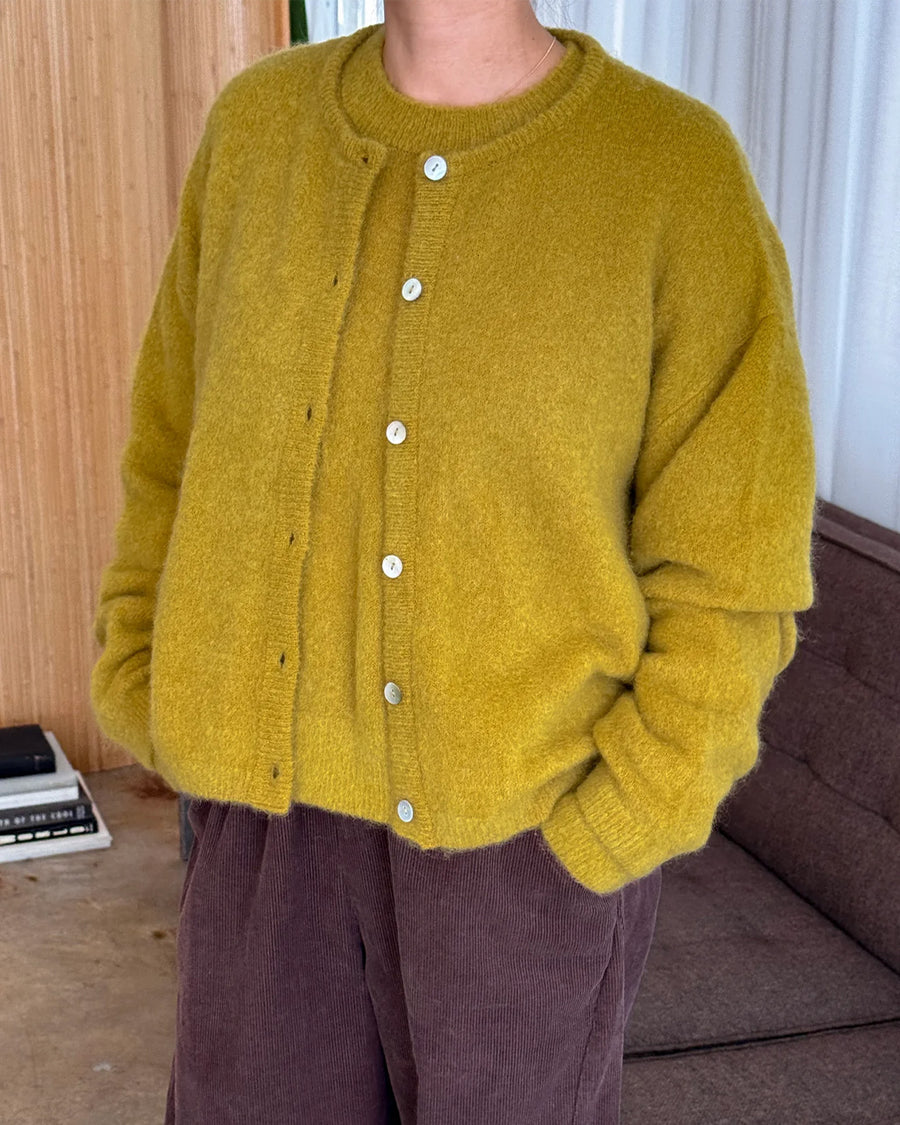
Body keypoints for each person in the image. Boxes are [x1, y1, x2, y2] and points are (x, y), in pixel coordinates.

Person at [89, 1, 818, 1121]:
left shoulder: (671, 170)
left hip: (524, 849)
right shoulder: (258, 131)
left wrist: (632, 806)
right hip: (260, 833)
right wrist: (142, 669)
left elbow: (738, 559)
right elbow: (171, 445)